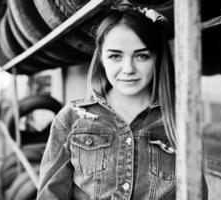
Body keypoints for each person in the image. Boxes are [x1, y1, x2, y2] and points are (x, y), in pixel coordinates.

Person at [37, 2, 204, 199]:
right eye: (116, 56)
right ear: (101, 58)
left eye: (141, 56)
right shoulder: (71, 120)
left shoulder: (179, 120)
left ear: (157, 58)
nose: (128, 69)